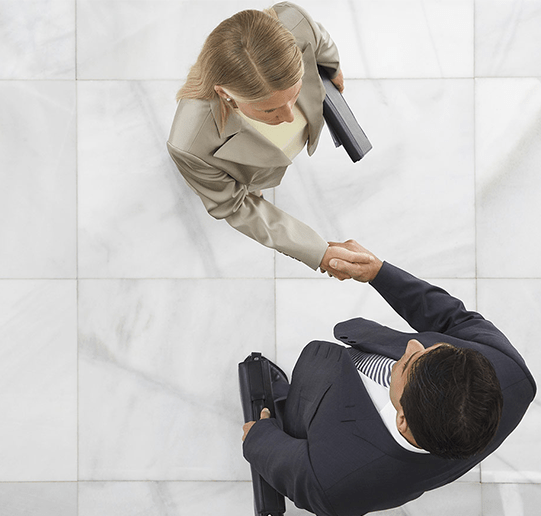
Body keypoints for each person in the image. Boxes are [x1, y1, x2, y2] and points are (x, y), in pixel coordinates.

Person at [241, 240, 536, 516]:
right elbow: (454, 320)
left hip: (312, 417)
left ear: (402, 420)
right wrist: (378, 272)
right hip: (342, 381)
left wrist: (258, 436)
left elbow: (294, 469)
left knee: (288, 414)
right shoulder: (510, 373)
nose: (411, 345)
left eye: (407, 365)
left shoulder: (337, 483)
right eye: (433, 348)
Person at [167, 2, 352, 277]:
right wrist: (317, 251)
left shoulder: (294, 21)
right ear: (225, 93)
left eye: (294, 93)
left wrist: (332, 67)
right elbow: (236, 205)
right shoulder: (190, 144)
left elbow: (320, 40)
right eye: (269, 109)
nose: (289, 116)